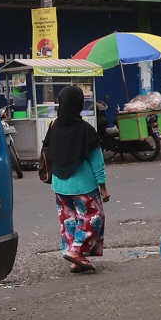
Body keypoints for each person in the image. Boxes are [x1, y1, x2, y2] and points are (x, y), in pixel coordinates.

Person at [43, 85, 109, 274]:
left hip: (59, 185)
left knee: (69, 221)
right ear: (79, 104)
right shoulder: (85, 130)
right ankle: (77, 251)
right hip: (83, 186)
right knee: (92, 218)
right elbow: (97, 161)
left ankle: (75, 258)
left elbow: (48, 151)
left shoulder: (54, 126)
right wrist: (103, 187)